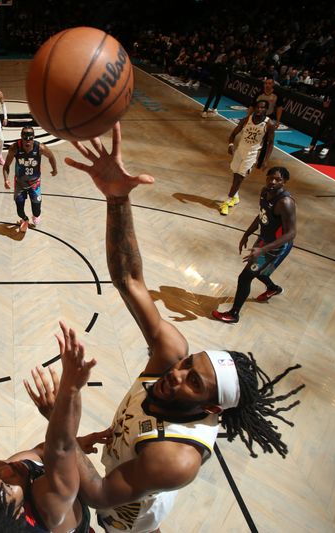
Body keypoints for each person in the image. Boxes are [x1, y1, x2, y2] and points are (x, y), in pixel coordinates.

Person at [44, 122, 303, 532]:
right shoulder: (170, 357)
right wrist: (117, 199)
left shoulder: (176, 458)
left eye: (193, 382)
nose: (176, 374)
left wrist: (61, 417)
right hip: (118, 467)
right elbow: (129, 279)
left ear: (212, 408)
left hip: (126, 519)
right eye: (189, 365)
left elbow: (98, 495)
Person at [0, 321, 107, 532]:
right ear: (18, 513)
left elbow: (43, 450)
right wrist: (69, 390)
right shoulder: (49, 505)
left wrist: (72, 439)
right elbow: (61, 448)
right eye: (6, 485)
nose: (4, 471)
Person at [212, 167, 296, 323]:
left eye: (277, 179)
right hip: (264, 240)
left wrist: (262, 250)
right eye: (270, 177)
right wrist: (247, 233)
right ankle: (273, 289)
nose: (272, 181)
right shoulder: (265, 192)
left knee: (245, 278)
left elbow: (291, 233)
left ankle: (234, 314)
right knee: (260, 273)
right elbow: (262, 215)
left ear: (284, 182)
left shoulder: (285, 203)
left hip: (277, 247)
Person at [220, 100, 275, 216]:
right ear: (254, 108)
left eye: (262, 108)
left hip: (252, 154)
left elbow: (270, 143)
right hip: (240, 151)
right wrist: (230, 145)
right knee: (235, 174)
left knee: (240, 177)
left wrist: (265, 159)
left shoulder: (269, 124)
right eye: (258, 107)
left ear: (266, 110)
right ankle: (236, 197)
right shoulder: (246, 120)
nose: (259, 110)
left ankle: (227, 201)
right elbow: (233, 134)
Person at [2, 126, 58, 233]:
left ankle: (35, 216)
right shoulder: (15, 148)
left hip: (34, 183)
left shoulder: (40, 148)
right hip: (20, 183)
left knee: (37, 211)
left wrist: (54, 169)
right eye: (25, 138)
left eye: (30, 138)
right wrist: (6, 179)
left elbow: (51, 156)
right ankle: (25, 219)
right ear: (21, 137)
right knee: (19, 209)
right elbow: (6, 166)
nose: (27, 140)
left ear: (33, 137)